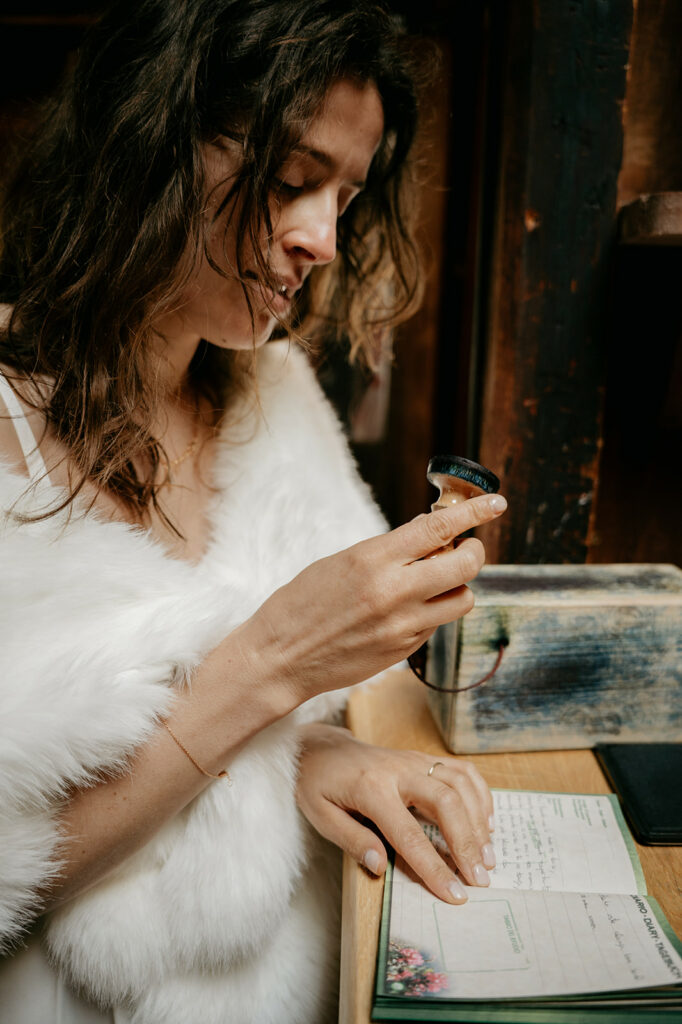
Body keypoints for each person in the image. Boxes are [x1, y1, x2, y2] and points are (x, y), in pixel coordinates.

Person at [0, 2, 507, 1021]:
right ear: (147, 140)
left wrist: (306, 753)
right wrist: (272, 658)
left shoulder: (277, 400)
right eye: (290, 179)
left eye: (346, 197)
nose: (322, 236)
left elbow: (221, 737)